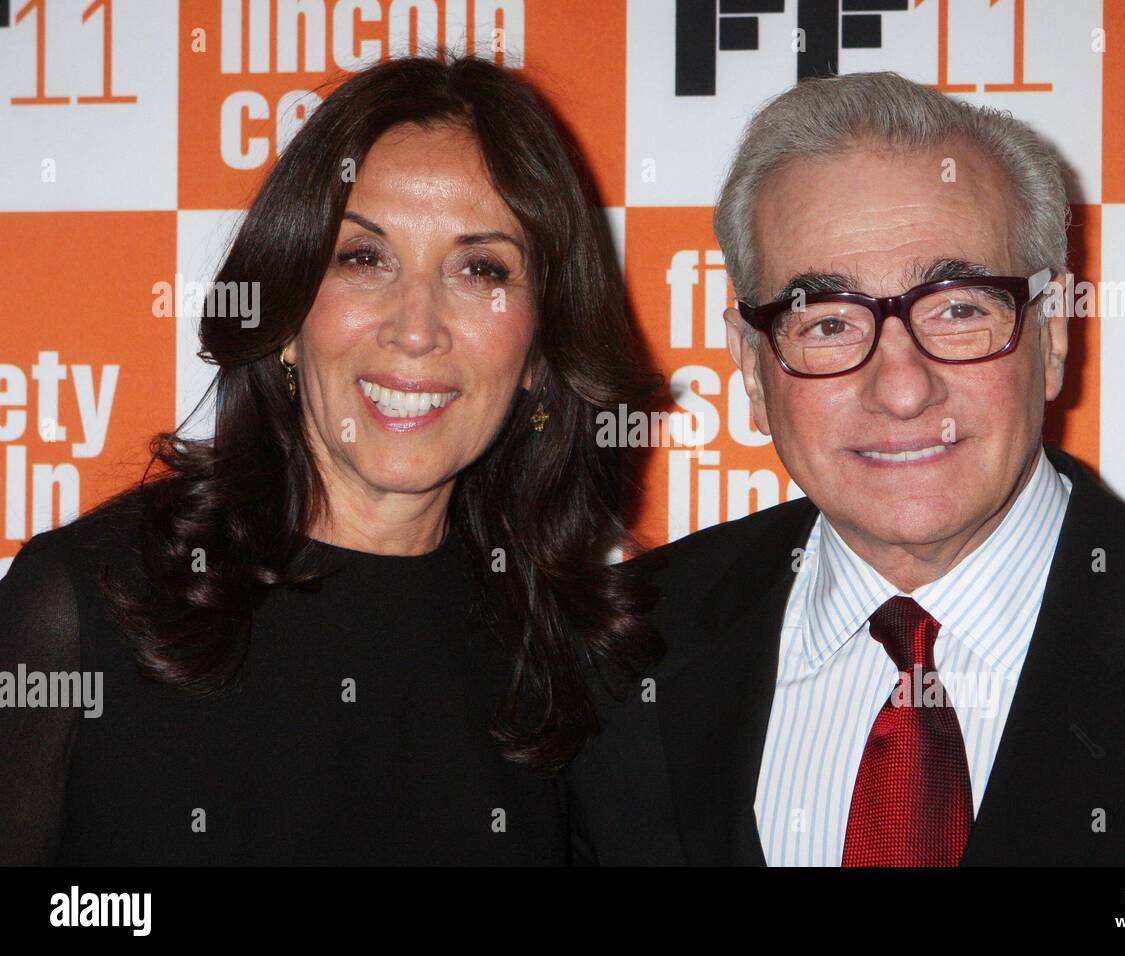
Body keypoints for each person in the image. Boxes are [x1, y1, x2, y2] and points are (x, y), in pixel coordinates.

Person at [566, 70, 1125, 866]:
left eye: (958, 309)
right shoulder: (618, 653)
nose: (904, 387)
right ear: (751, 363)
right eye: (829, 323)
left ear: (1050, 336)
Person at [0, 53, 659, 865]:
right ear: (287, 307)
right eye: (364, 258)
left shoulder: (573, 660)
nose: (416, 328)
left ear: (539, 352)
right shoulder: (85, 610)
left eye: (481, 268)